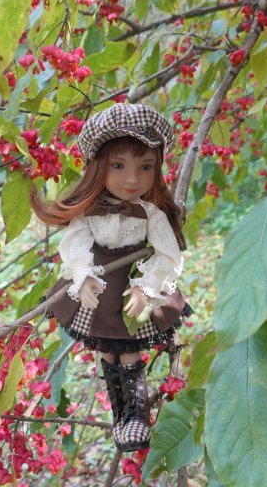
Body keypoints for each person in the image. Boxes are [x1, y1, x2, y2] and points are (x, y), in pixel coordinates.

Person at [30, 103, 192, 452]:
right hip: (102, 285)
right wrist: (82, 274)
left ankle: (134, 415)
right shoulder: (90, 212)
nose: (132, 179)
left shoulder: (150, 213)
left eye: (145, 167)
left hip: (131, 282)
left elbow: (168, 254)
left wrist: (147, 287)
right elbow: (74, 244)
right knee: (107, 351)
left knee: (129, 351)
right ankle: (121, 412)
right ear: (98, 168)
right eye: (119, 166)